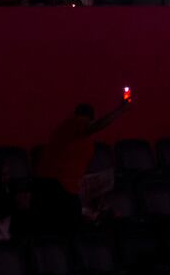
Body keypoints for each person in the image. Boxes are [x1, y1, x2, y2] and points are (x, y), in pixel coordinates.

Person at [34, 96, 130, 224]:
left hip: (61, 185)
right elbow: (96, 126)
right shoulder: (75, 123)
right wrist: (120, 110)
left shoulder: (78, 137)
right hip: (56, 185)